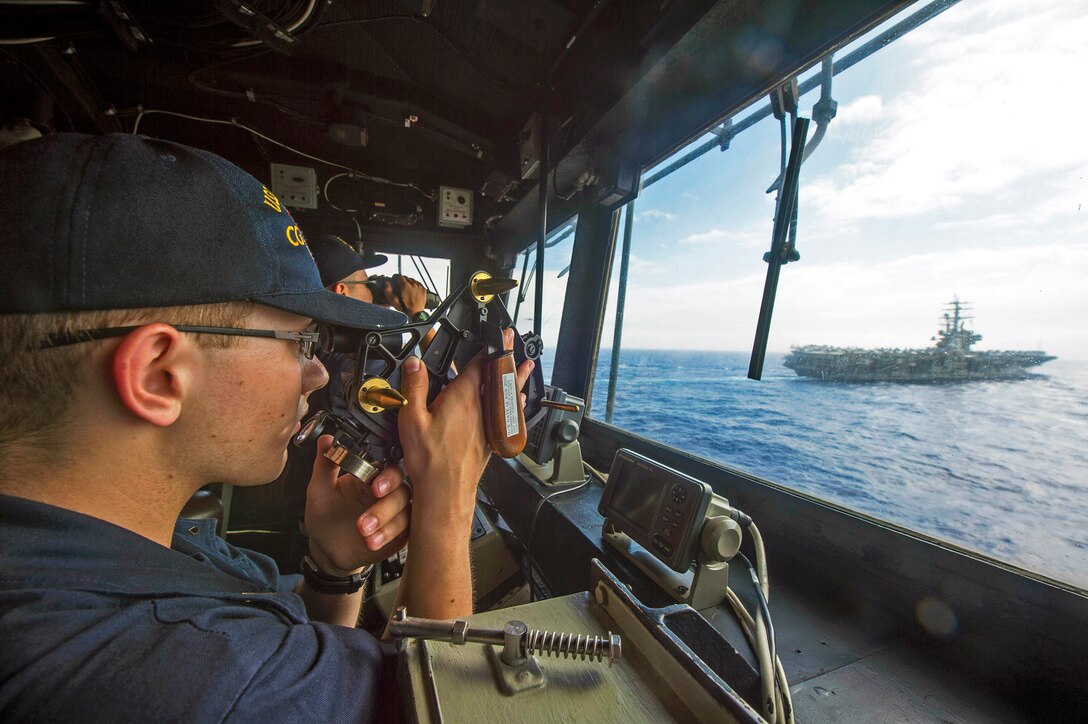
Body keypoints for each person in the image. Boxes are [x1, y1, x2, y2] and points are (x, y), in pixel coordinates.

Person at [0, 133, 533, 721]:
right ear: (158, 376)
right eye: (300, 340)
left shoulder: (110, 558)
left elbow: (292, 645)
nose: (312, 374)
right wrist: (449, 497)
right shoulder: (193, 670)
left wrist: (332, 569)